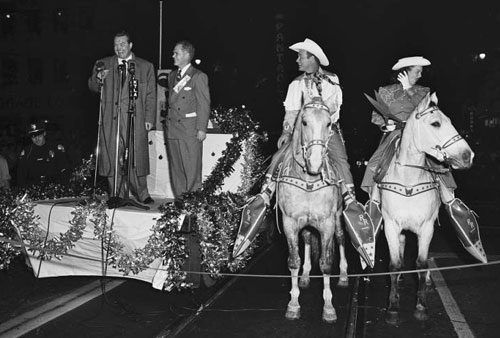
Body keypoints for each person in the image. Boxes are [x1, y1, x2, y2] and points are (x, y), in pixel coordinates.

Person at [234, 38, 375, 266]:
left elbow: (335, 106)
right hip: (302, 130)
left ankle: (350, 198)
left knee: (341, 159)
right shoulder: (295, 84)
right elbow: (290, 112)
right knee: (279, 155)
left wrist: (319, 111)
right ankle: (266, 192)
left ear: (312, 58)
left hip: (326, 128)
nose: (297, 60)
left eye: (301, 56)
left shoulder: (332, 80)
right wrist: (286, 131)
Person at [362, 56, 480, 249]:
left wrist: (408, 90)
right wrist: (386, 123)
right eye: (417, 71)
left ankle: (449, 199)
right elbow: (375, 116)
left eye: (420, 72)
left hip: (418, 138)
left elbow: (428, 115)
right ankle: (373, 202)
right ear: (404, 71)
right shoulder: (385, 91)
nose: (420, 74)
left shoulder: (423, 92)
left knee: (439, 165)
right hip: (394, 136)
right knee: (376, 162)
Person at [88, 30, 156, 205]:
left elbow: (150, 95)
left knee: (136, 156)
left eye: (123, 44)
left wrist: (149, 118)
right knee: (111, 155)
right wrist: (98, 77)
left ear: (131, 45)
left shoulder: (145, 66)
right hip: (111, 119)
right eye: (116, 45)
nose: (119, 48)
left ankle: (142, 193)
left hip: (136, 118)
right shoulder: (103, 63)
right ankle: (115, 192)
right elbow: (93, 87)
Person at [165, 40, 211, 199]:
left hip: (189, 129)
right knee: (176, 167)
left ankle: (193, 201)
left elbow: (204, 104)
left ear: (186, 54)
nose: (173, 56)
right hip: (172, 128)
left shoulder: (198, 76)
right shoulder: (171, 76)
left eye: (176, 53)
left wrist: (202, 128)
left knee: (191, 167)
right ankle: (179, 200)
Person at [17, 120, 69, 187]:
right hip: (33, 188)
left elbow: (64, 169)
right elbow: (21, 174)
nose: (37, 139)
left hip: (54, 186)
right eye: (33, 137)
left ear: (44, 133)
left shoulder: (55, 148)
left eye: (39, 135)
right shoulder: (27, 152)